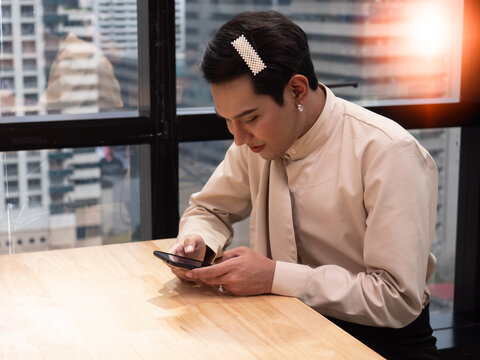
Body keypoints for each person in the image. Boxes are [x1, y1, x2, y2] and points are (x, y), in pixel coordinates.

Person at [169, 10, 439, 359]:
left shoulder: (388, 152)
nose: (237, 138)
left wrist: (273, 277)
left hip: (379, 343)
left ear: (296, 89)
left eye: (250, 118)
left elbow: (396, 298)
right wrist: (199, 244)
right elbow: (209, 208)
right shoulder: (256, 142)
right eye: (228, 121)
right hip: (284, 327)